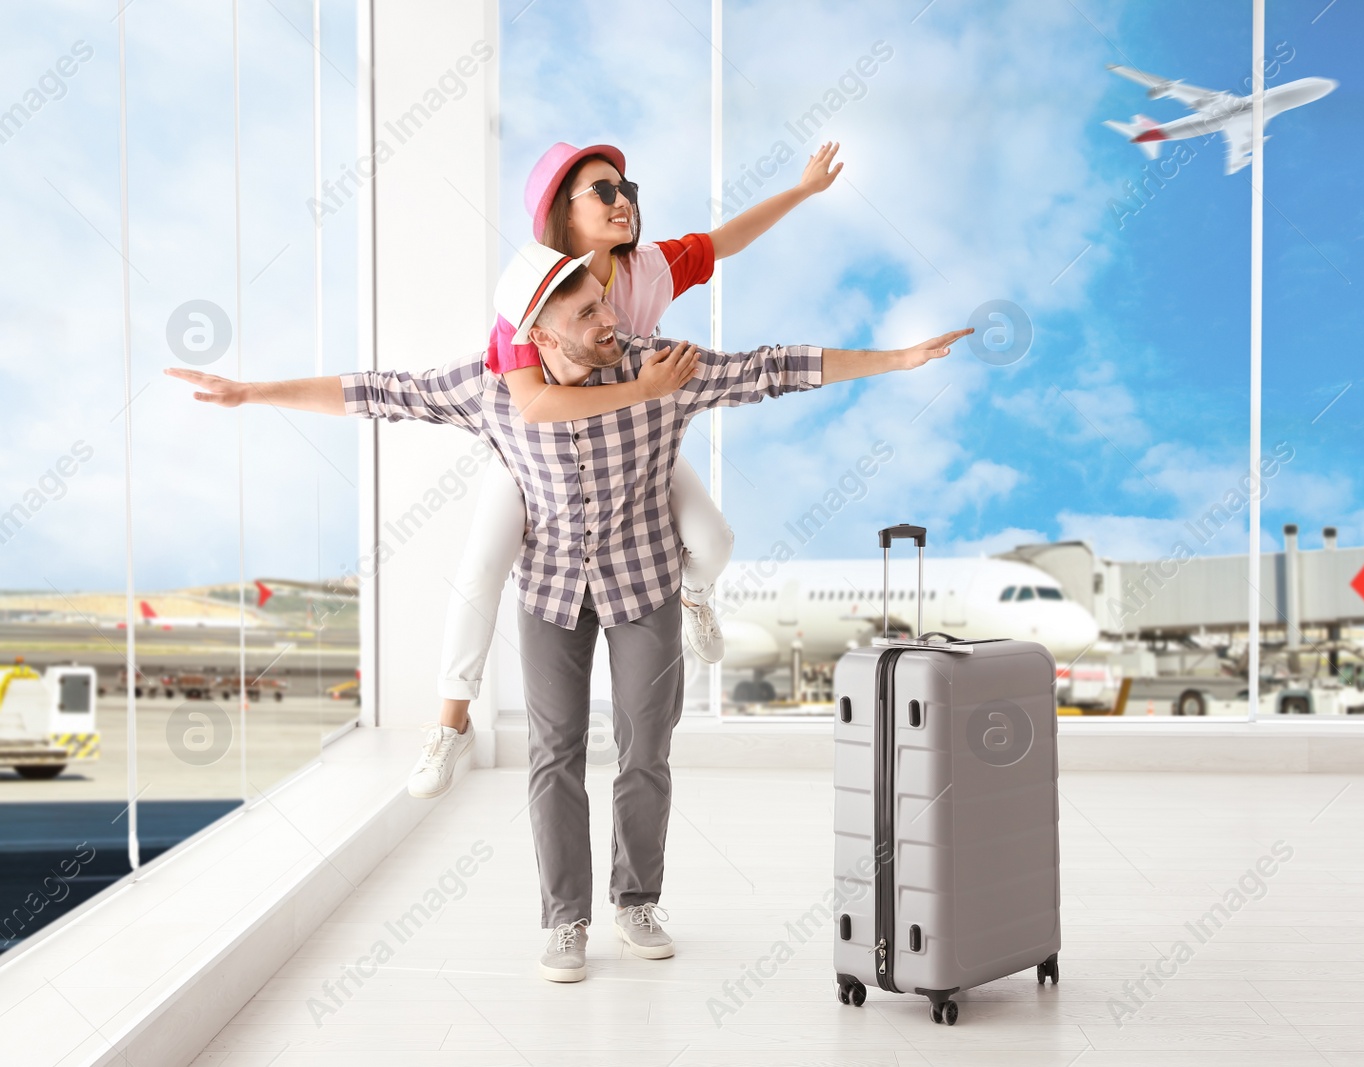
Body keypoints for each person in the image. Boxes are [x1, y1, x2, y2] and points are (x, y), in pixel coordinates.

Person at [168, 244, 967, 983]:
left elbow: (774, 367)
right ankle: (565, 920)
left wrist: (896, 359)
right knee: (553, 755)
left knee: (644, 750)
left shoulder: (664, 368)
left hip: (644, 582)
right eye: (586, 314)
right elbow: (379, 392)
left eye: (604, 302)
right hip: (550, 591)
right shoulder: (491, 391)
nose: (609, 319)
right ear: (539, 337)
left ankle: (636, 899)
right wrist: (254, 390)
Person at [413, 140, 845, 802]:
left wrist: (804, 189)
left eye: (627, 189)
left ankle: (693, 596)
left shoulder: (651, 266)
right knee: (480, 569)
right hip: (542, 456)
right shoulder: (533, 292)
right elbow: (531, 403)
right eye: (604, 192)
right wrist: (641, 391)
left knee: (714, 541)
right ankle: (450, 722)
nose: (624, 201)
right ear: (562, 210)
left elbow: (726, 239)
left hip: (631, 449)